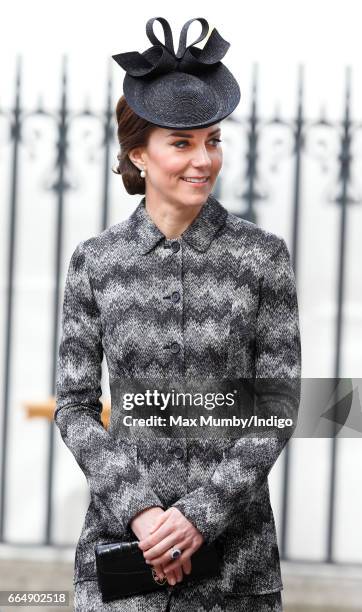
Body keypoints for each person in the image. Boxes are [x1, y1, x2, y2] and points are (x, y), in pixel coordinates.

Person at [55, 17, 301, 612]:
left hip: (236, 568)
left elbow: (279, 403)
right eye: (182, 143)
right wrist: (143, 515)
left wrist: (199, 515)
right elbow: (75, 406)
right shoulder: (96, 262)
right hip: (124, 554)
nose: (203, 160)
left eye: (212, 140)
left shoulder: (261, 258)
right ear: (139, 153)